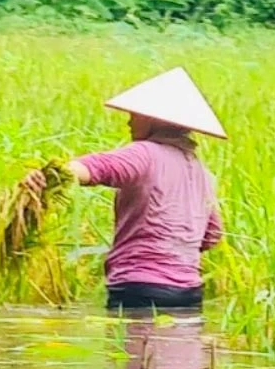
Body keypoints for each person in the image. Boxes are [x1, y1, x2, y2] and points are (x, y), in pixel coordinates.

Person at [29, 67, 225, 313]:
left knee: (132, 350)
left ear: (156, 119)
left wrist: (49, 176)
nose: (129, 120)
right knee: (177, 350)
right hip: (188, 294)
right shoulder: (202, 173)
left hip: (139, 288)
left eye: (137, 114)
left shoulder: (144, 154)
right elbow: (212, 235)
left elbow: (96, 167)